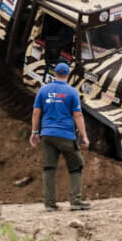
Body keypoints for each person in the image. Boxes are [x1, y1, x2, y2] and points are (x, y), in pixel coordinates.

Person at [30, 62, 91, 211]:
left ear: (54, 74)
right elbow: (77, 115)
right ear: (68, 75)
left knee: (49, 168)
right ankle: (75, 202)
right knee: (77, 165)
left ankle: (49, 204)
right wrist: (84, 137)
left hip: (47, 135)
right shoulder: (72, 92)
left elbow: (36, 112)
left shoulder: (43, 90)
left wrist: (34, 132)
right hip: (65, 135)